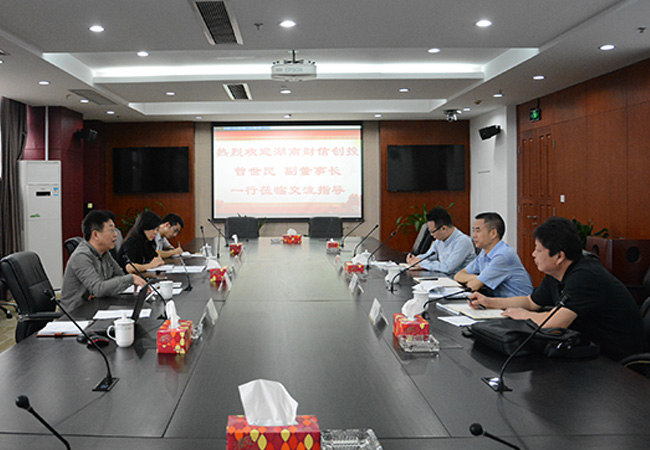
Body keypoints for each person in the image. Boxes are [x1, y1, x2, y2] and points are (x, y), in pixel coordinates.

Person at [468, 216, 645, 361]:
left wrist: (523, 315)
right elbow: (530, 302)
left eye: (538, 250)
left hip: (615, 361)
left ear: (559, 256)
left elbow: (556, 322)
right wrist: (489, 302)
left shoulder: (586, 276)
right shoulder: (557, 272)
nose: (533, 254)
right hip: (586, 349)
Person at [60, 210, 147, 311]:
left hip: (96, 306)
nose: (116, 235)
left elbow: (119, 276)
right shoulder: (81, 256)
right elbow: (99, 289)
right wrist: (131, 278)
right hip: (76, 313)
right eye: (111, 230)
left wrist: (104, 288)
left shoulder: (104, 253)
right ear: (95, 235)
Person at [455, 212, 533, 297]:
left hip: (517, 303)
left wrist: (479, 280)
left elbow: (473, 286)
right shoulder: (484, 253)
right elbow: (458, 275)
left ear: (493, 233)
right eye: (474, 231)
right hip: (497, 301)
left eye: (478, 231)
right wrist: (478, 278)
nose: (473, 235)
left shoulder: (502, 256)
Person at [405, 207, 475, 276]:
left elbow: (448, 268)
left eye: (433, 231)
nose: (431, 235)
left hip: (458, 281)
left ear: (444, 228)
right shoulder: (439, 240)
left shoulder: (463, 241)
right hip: (443, 278)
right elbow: (428, 256)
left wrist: (422, 263)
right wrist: (415, 259)